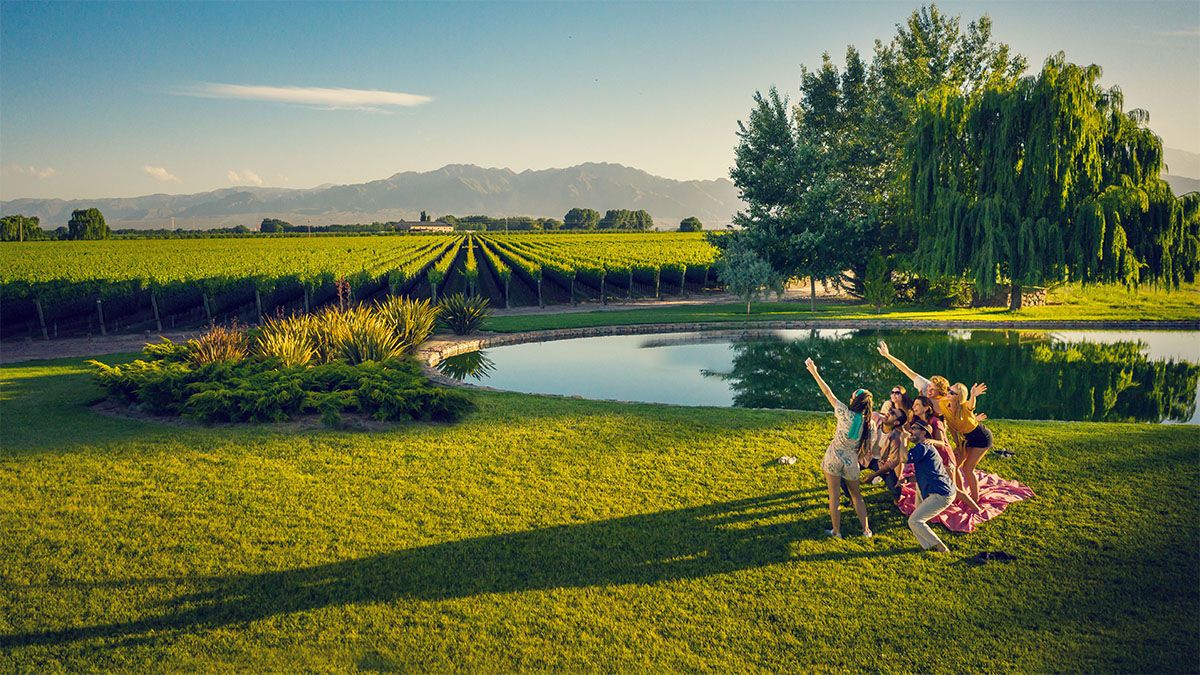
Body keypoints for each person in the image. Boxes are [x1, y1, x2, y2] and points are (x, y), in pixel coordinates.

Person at [804, 357, 873, 539]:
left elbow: (828, 393)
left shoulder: (843, 412)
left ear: (854, 401)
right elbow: (866, 447)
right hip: (851, 461)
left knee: (834, 496)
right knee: (857, 496)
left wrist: (814, 372)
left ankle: (836, 531)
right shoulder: (868, 423)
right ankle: (866, 531)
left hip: (834, 457)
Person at [863, 419, 956, 552]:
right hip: (941, 491)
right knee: (916, 520)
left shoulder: (923, 447)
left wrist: (903, 440)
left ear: (924, 432)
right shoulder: (924, 448)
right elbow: (926, 473)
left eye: (914, 428)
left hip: (941, 494)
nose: (911, 430)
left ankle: (941, 548)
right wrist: (908, 479)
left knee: (914, 521)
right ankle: (929, 547)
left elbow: (904, 458)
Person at [910, 395, 981, 512]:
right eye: (914, 404)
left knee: (953, 489)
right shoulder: (919, 422)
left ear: (927, 408)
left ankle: (976, 508)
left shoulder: (935, 421)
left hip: (945, 459)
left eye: (917, 404)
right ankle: (921, 509)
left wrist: (932, 441)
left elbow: (943, 443)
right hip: (934, 460)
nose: (914, 407)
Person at [944, 382, 994, 504]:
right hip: (967, 439)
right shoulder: (945, 406)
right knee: (953, 465)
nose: (948, 393)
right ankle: (960, 493)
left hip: (981, 437)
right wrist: (957, 444)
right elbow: (951, 427)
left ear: (959, 396)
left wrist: (973, 395)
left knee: (968, 468)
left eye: (952, 392)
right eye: (948, 390)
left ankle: (975, 499)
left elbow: (971, 405)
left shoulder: (964, 406)